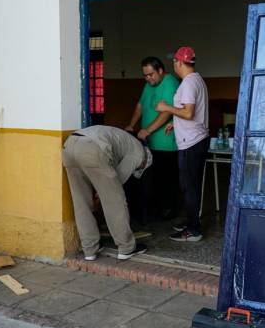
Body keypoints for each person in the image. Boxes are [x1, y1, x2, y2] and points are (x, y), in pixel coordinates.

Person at [62, 125, 151, 260]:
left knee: (81, 202)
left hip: (69, 146)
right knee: (115, 200)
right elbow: (118, 179)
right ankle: (126, 248)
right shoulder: (139, 153)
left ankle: (89, 249)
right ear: (145, 161)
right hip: (92, 148)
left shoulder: (124, 141)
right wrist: (102, 191)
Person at [155, 46, 209, 242]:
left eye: (174, 62)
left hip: (191, 143)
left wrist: (166, 108)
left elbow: (188, 112)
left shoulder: (187, 83)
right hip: (196, 139)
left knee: (189, 187)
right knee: (191, 186)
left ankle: (193, 230)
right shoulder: (197, 79)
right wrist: (173, 122)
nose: (173, 65)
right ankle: (192, 221)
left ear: (179, 63)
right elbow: (189, 113)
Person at [125, 56, 180, 221]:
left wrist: (147, 130)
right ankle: (155, 209)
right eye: (145, 75)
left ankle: (170, 209)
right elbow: (141, 105)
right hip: (149, 142)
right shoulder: (149, 84)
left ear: (160, 71)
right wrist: (131, 124)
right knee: (153, 179)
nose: (148, 78)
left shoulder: (170, 82)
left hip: (166, 142)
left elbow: (167, 112)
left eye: (151, 74)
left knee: (167, 178)